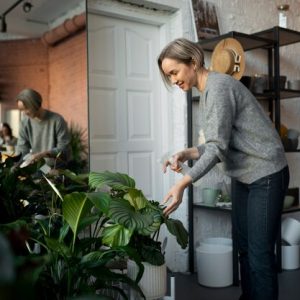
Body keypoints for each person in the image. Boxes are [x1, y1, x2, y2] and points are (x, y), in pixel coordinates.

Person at [157, 38, 289, 300]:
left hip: (266, 173)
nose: (173, 81)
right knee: (244, 248)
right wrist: (187, 152)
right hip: (244, 176)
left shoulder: (217, 87)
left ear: (193, 63)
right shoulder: (207, 89)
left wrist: (183, 183)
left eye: (174, 72)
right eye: (168, 76)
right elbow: (220, 143)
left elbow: (217, 147)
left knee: (260, 254)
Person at [15, 88, 70, 168]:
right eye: (21, 110)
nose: (24, 113)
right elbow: (22, 149)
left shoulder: (57, 120)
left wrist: (42, 155)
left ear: (36, 104)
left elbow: (64, 149)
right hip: (37, 169)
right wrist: (15, 165)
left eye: (26, 109)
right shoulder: (24, 123)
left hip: (57, 170)